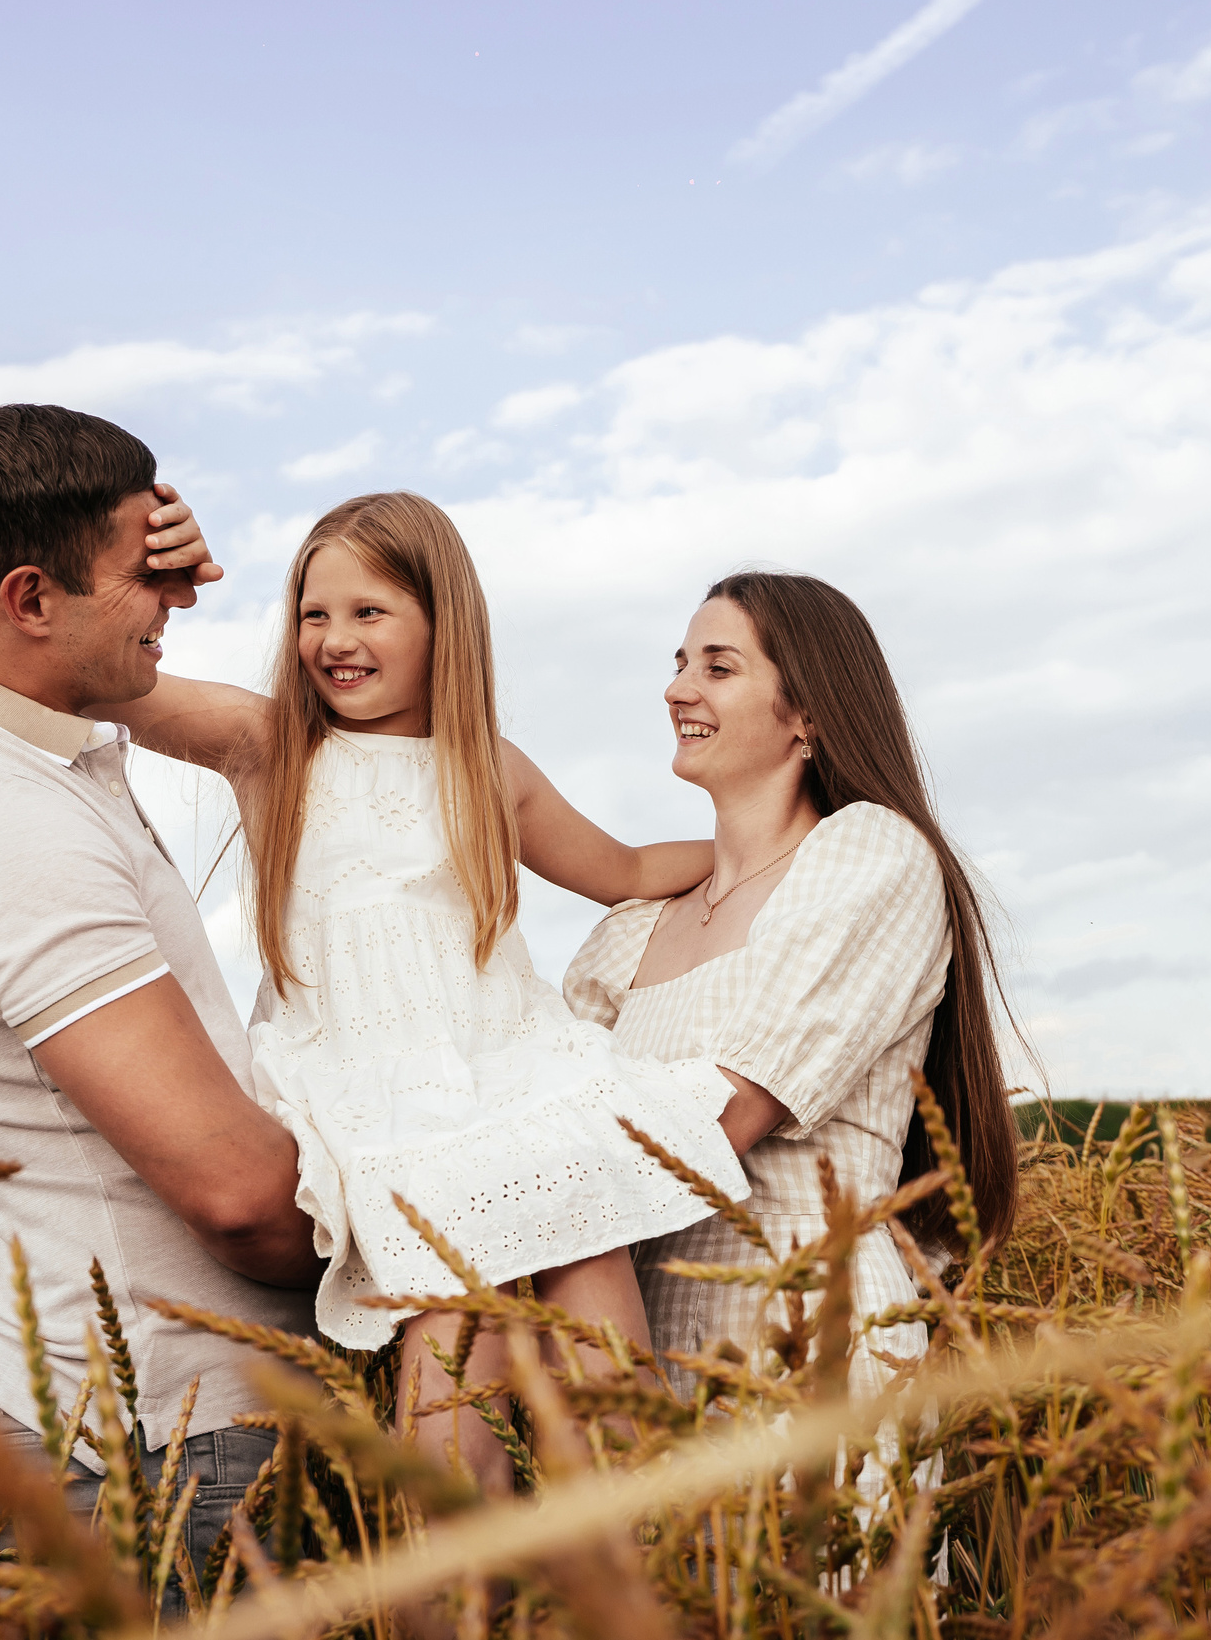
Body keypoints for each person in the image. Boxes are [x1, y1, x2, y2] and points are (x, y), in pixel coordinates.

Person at [94, 490, 751, 1490]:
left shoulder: (487, 766)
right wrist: (155, 581)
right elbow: (96, 683)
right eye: (314, 614)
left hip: (508, 1064)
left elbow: (618, 869)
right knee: (456, 1365)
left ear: (443, 623)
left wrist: (772, 846)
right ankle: (449, 1593)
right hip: (378, 1095)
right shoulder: (272, 743)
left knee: (597, 1297)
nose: (333, 638)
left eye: (370, 611)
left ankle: (639, 1563)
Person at [0, 403, 321, 1600]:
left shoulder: (39, 746)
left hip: (163, 1426)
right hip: (161, 1445)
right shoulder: (1, 815)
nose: (176, 598)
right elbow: (234, 1195)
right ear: (29, 599)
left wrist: (128, 586)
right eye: (146, 572)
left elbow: (278, 741)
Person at [562, 569, 1020, 1417]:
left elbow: (730, 1112)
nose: (676, 688)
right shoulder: (632, 928)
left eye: (717, 666)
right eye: (679, 662)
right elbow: (548, 1104)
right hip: (635, 1350)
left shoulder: (870, 856)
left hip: (805, 1337)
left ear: (807, 711)